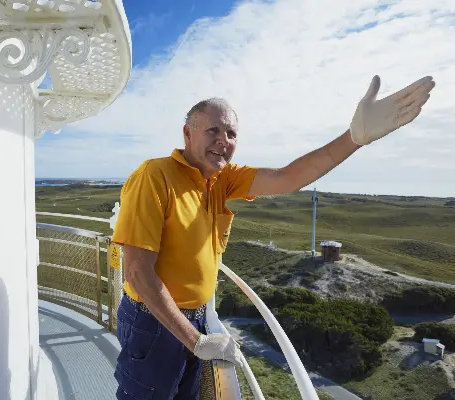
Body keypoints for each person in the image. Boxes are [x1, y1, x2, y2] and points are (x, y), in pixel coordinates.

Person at [111, 75, 435, 399]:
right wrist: (195, 340)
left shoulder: (221, 179)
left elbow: (288, 177)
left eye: (231, 133)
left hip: (193, 322)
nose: (223, 140)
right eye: (213, 130)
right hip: (153, 324)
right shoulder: (155, 176)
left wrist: (354, 138)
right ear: (187, 133)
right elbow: (138, 272)